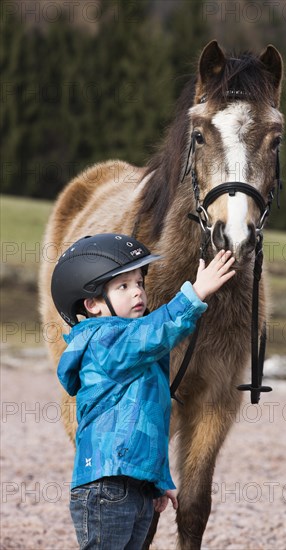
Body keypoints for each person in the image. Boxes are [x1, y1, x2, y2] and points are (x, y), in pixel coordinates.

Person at [51, 233, 235, 549]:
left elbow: (150, 425)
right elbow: (152, 335)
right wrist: (195, 294)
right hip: (105, 488)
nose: (137, 291)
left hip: (135, 488)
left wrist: (159, 481)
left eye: (139, 283)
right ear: (92, 304)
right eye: (123, 286)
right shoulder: (102, 342)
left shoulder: (141, 356)